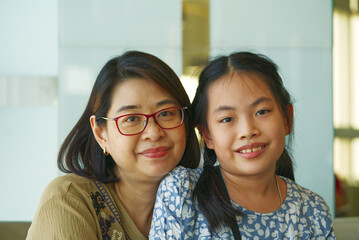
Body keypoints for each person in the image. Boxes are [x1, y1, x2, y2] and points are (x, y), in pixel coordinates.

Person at [149, 52, 335, 239]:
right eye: (227, 119)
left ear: (287, 119)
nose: (248, 130)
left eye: (262, 112)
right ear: (207, 134)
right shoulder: (182, 192)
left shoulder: (313, 211)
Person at [26, 51, 200, 239]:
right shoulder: (69, 199)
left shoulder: (209, 203)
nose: (153, 133)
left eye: (166, 113)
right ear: (101, 133)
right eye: (131, 118)